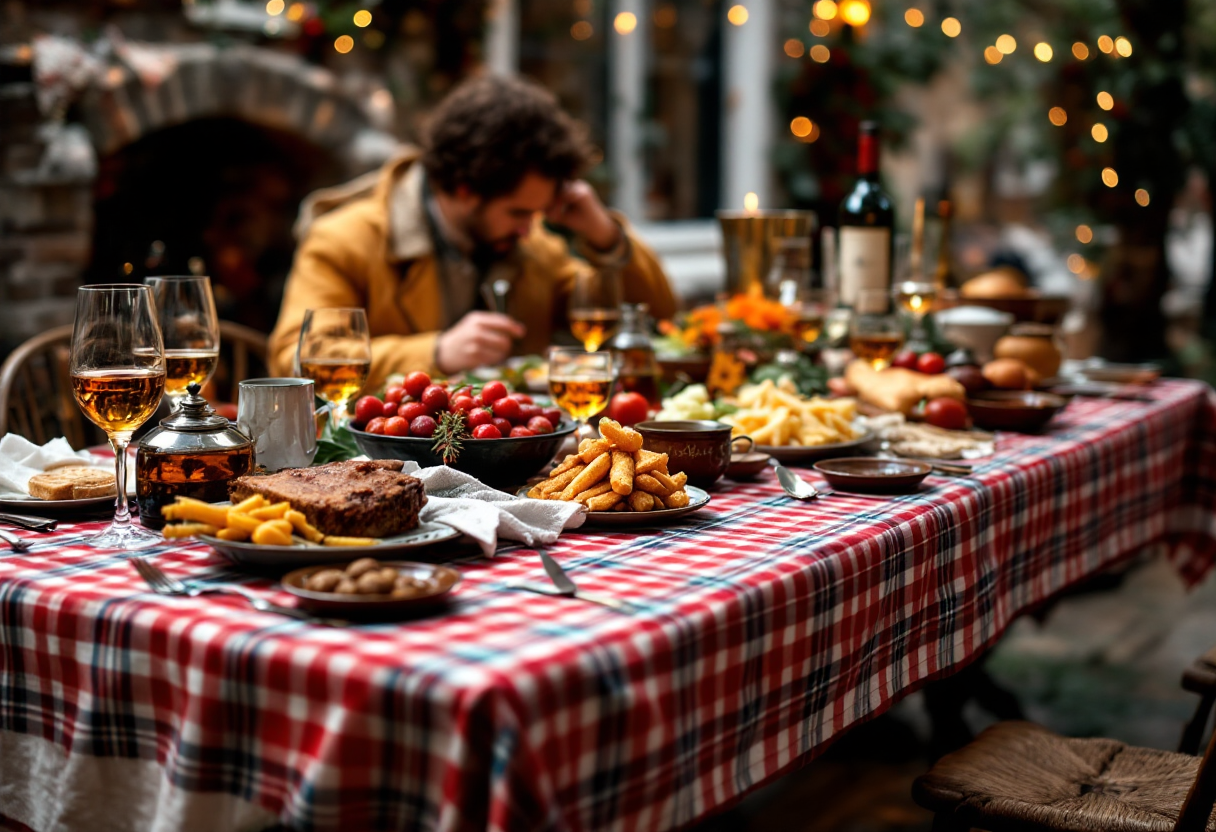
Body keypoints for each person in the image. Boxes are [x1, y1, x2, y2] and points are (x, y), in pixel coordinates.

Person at [268, 75, 677, 388]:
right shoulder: (343, 241)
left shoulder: (535, 247)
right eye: (518, 212)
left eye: (537, 213)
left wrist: (603, 234)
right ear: (465, 190)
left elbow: (656, 319)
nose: (528, 228)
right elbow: (294, 358)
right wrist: (438, 353)